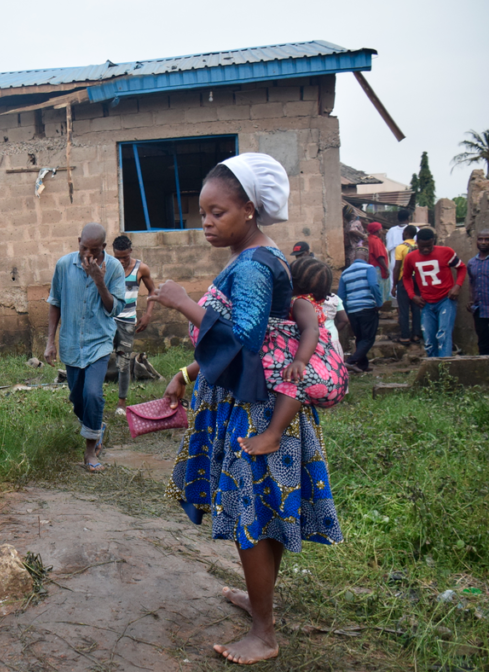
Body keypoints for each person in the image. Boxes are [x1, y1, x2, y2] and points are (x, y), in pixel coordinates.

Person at [149, 153, 341, 665]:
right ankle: (258, 603)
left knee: (251, 517)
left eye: (217, 213)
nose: (206, 222)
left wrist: (182, 301)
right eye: (203, 212)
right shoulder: (254, 258)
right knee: (261, 512)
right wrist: (188, 372)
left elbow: (244, 340)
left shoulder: (255, 265)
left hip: (257, 411)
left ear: (250, 210)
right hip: (248, 400)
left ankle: (264, 632)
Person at [236, 257, 347, 456]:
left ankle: (273, 435)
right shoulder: (305, 302)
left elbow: (311, 330)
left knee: (293, 382)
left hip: (318, 366)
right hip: (328, 368)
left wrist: (300, 361)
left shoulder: (301, 302)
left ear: (290, 281)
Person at [45, 223, 126, 472]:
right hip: (71, 342)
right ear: (78, 241)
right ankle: (97, 426)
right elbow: (55, 302)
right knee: (77, 398)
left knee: (93, 394)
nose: (88, 255)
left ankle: (90, 451)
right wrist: (50, 341)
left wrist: (100, 281)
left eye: (94, 250)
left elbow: (115, 309)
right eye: (83, 248)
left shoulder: (113, 268)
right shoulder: (63, 265)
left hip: (98, 342)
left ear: (103, 246)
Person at [402, 228, 467, 358]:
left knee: (443, 333)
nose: (426, 249)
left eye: (429, 246)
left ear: (434, 242)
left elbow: (461, 268)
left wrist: (457, 286)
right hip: (426, 302)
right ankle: (433, 366)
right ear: (417, 243)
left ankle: (445, 367)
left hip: (446, 300)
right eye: (422, 247)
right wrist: (412, 295)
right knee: (428, 339)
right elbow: (406, 277)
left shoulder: (446, 252)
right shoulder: (411, 257)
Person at [110, 235, 156, 417]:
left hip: (128, 322)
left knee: (123, 362)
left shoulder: (141, 268)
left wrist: (147, 314)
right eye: (117, 257)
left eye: (124, 258)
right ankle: (96, 398)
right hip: (107, 320)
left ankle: (121, 403)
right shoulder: (108, 267)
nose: (121, 262)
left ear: (130, 251)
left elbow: (152, 290)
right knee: (98, 358)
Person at [338, 246, 383, 372]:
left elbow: (341, 295)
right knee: (368, 338)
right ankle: (351, 361)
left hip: (352, 310)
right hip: (367, 307)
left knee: (360, 337)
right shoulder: (369, 268)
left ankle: (362, 365)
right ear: (366, 257)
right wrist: (379, 302)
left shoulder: (345, 273)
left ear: (354, 257)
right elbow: (374, 285)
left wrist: (346, 311)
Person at [391, 225, 422, 345]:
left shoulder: (401, 247)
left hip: (404, 280)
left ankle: (405, 335)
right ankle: (416, 334)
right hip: (418, 280)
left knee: (404, 309)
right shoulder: (418, 246)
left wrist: (394, 285)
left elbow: (397, 267)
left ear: (405, 233)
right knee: (416, 308)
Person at [466, 228, 489, 355]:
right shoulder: (472, 263)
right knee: (483, 342)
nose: (483, 242)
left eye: (487, 239)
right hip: (480, 309)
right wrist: (471, 300)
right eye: (480, 239)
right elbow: (472, 282)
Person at [367, 222, 391, 304]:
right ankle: (379, 306)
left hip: (372, 268)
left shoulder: (369, 239)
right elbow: (380, 257)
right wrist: (386, 269)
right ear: (377, 230)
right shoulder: (376, 241)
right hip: (379, 269)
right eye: (381, 229)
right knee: (380, 290)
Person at [321, 292, 349, 359]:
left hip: (312, 341)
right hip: (332, 338)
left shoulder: (304, 299)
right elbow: (344, 320)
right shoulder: (334, 298)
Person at [385, 209, 411, 276]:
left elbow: (388, 248)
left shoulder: (391, 230)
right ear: (409, 218)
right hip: (410, 260)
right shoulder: (414, 229)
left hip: (395, 262)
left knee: (395, 283)